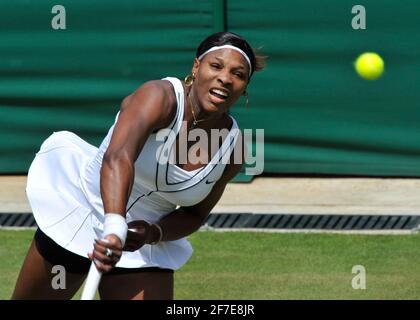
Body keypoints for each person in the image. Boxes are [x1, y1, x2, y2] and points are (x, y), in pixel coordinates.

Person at [12, 31, 266, 300]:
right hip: (83, 212)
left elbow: (195, 214)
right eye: (216, 66)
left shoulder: (234, 148)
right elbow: (118, 158)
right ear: (196, 67)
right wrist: (113, 225)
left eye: (238, 74)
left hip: (139, 244)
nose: (225, 78)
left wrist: (154, 233)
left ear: (245, 87)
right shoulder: (158, 97)